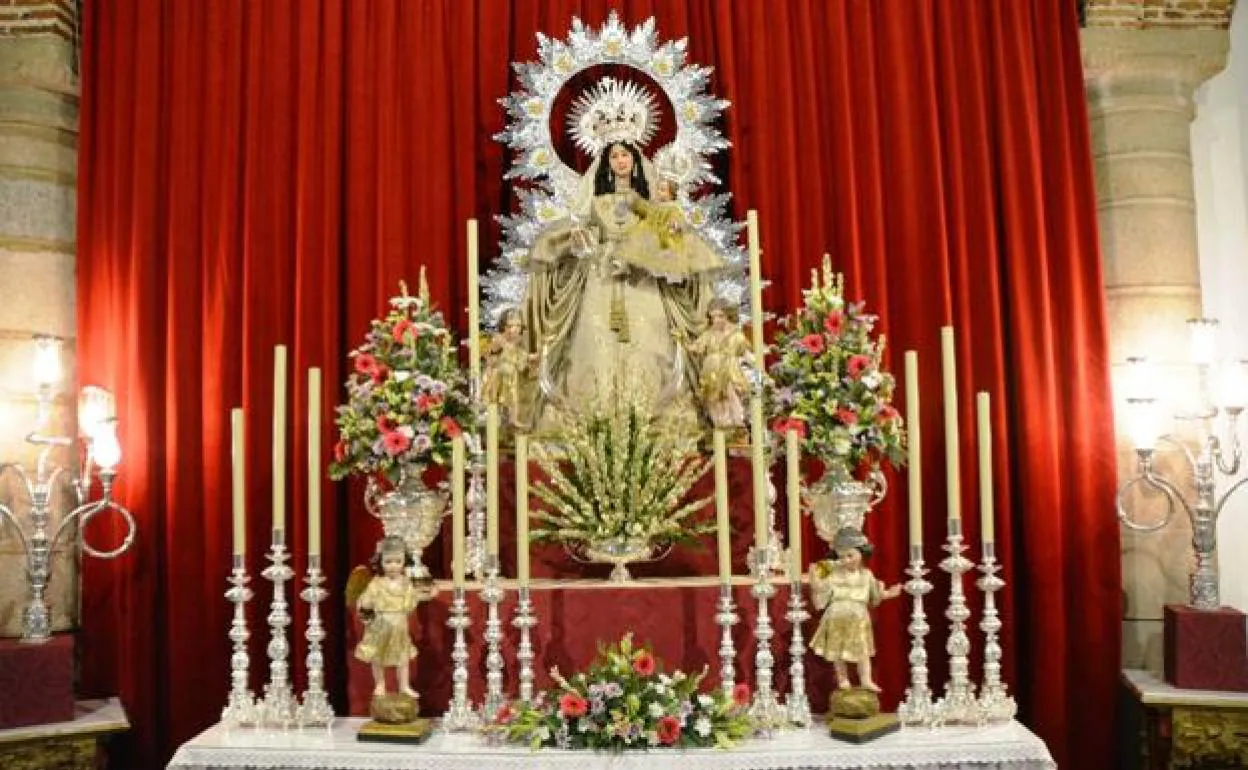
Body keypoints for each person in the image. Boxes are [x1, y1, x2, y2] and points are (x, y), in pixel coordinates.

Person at [523, 139, 722, 434]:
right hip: (601, 275)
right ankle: (595, 416)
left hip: (640, 275)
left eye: (625, 155)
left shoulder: (648, 202)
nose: (620, 161)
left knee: (651, 338)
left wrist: (663, 239)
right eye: (614, 156)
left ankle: (648, 414)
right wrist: (580, 241)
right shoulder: (597, 202)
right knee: (592, 338)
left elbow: (665, 234)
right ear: (607, 163)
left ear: (635, 160)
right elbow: (586, 232)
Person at [808, 527, 902, 692]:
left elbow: (875, 596)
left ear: (861, 553)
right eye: (841, 556)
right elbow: (818, 585)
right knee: (837, 652)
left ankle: (866, 679)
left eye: (850, 555)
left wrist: (889, 594)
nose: (846, 560)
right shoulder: (833, 571)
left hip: (858, 619)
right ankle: (843, 679)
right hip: (836, 616)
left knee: (863, 652)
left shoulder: (866, 575)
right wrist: (815, 577)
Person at [354, 536, 436, 698]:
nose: (393, 566)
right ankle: (380, 684)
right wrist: (366, 604)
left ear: (404, 562)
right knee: (378, 655)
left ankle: (404, 685)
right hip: (380, 624)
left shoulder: (406, 583)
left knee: (402, 657)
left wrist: (426, 594)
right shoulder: (376, 583)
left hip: (399, 624)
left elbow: (412, 599)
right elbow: (365, 600)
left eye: (397, 561)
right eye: (388, 562)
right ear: (380, 562)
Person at [687, 297, 751, 429]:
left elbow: (746, 353)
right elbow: (698, 348)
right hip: (711, 371)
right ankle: (720, 425)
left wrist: (756, 365)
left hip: (729, 370)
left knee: (731, 395)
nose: (716, 320)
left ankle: (737, 424)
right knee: (713, 399)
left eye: (720, 316)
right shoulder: (709, 334)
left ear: (728, 315)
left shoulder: (736, 334)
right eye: (713, 317)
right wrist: (684, 342)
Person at [481, 307, 537, 428]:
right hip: (498, 377)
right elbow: (488, 353)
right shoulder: (499, 340)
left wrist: (536, 356)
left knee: (513, 398)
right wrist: (491, 359)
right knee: (496, 400)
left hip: (511, 377)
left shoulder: (516, 344)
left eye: (518, 326)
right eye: (510, 326)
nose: (515, 330)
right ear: (504, 326)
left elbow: (522, 356)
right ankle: (495, 422)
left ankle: (512, 420)